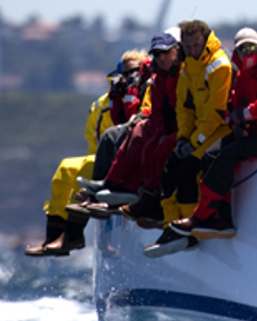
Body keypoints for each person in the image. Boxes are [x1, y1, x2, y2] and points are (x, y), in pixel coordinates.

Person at [165, 29, 257, 242]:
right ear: (237, 51)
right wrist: (236, 120)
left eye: (250, 46)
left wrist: (246, 114)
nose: (246, 51)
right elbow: (234, 105)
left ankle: (201, 216)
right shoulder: (242, 76)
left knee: (227, 156)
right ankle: (219, 218)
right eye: (242, 47)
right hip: (253, 130)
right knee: (210, 154)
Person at [24, 51, 148, 256]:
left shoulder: (150, 90)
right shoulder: (105, 103)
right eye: (125, 73)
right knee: (66, 168)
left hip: (135, 159)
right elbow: (99, 140)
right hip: (112, 157)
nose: (129, 77)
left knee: (86, 169)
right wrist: (120, 97)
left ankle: (73, 236)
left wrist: (130, 96)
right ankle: (54, 235)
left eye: (134, 72)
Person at [144, 20, 232, 256]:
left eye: (197, 45)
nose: (193, 50)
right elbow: (184, 108)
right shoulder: (187, 68)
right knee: (170, 169)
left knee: (188, 167)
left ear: (205, 41)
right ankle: (171, 228)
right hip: (196, 134)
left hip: (220, 130)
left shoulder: (220, 66)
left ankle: (190, 227)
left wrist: (194, 142)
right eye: (189, 46)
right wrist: (184, 138)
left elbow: (216, 113)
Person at [78, 29, 183, 226]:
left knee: (153, 147)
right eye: (157, 54)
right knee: (135, 137)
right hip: (161, 124)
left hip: (186, 127)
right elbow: (135, 114)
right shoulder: (158, 77)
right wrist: (120, 95)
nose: (160, 58)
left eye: (132, 71)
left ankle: (154, 205)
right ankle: (112, 188)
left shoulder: (184, 72)